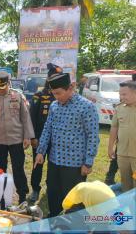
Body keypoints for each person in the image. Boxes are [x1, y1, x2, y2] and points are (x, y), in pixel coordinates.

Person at [35, 64, 99, 217]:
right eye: (53, 93)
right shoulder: (54, 106)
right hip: (55, 160)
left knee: (74, 198)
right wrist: (41, 151)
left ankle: (74, 224)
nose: (56, 97)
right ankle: (54, 217)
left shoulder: (86, 106)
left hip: (75, 163)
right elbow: (47, 129)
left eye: (58, 93)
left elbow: (93, 136)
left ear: (70, 88)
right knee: (53, 192)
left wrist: (88, 161)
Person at [0, 71, 35, 204]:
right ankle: (2, 196)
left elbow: (25, 117)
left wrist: (27, 136)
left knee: (18, 169)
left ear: (8, 83)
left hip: (16, 140)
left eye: (2, 86)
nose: (0, 89)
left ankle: (22, 195)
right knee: (0, 169)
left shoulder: (18, 96)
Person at [28, 64, 56, 202]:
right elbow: (31, 117)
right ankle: (35, 189)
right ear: (48, 78)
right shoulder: (39, 95)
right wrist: (33, 137)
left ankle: (51, 187)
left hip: (56, 139)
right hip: (39, 138)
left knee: (54, 165)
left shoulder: (61, 95)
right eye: (53, 78)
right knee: (37, 164)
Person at [108, 81, 136, 192]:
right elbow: (114, 128)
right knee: (126, 184)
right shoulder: (119, 108)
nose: (121, 97)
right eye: (120, 94)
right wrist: (110, 147)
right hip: (123, 154)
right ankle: (130, 208)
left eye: (124, 94)